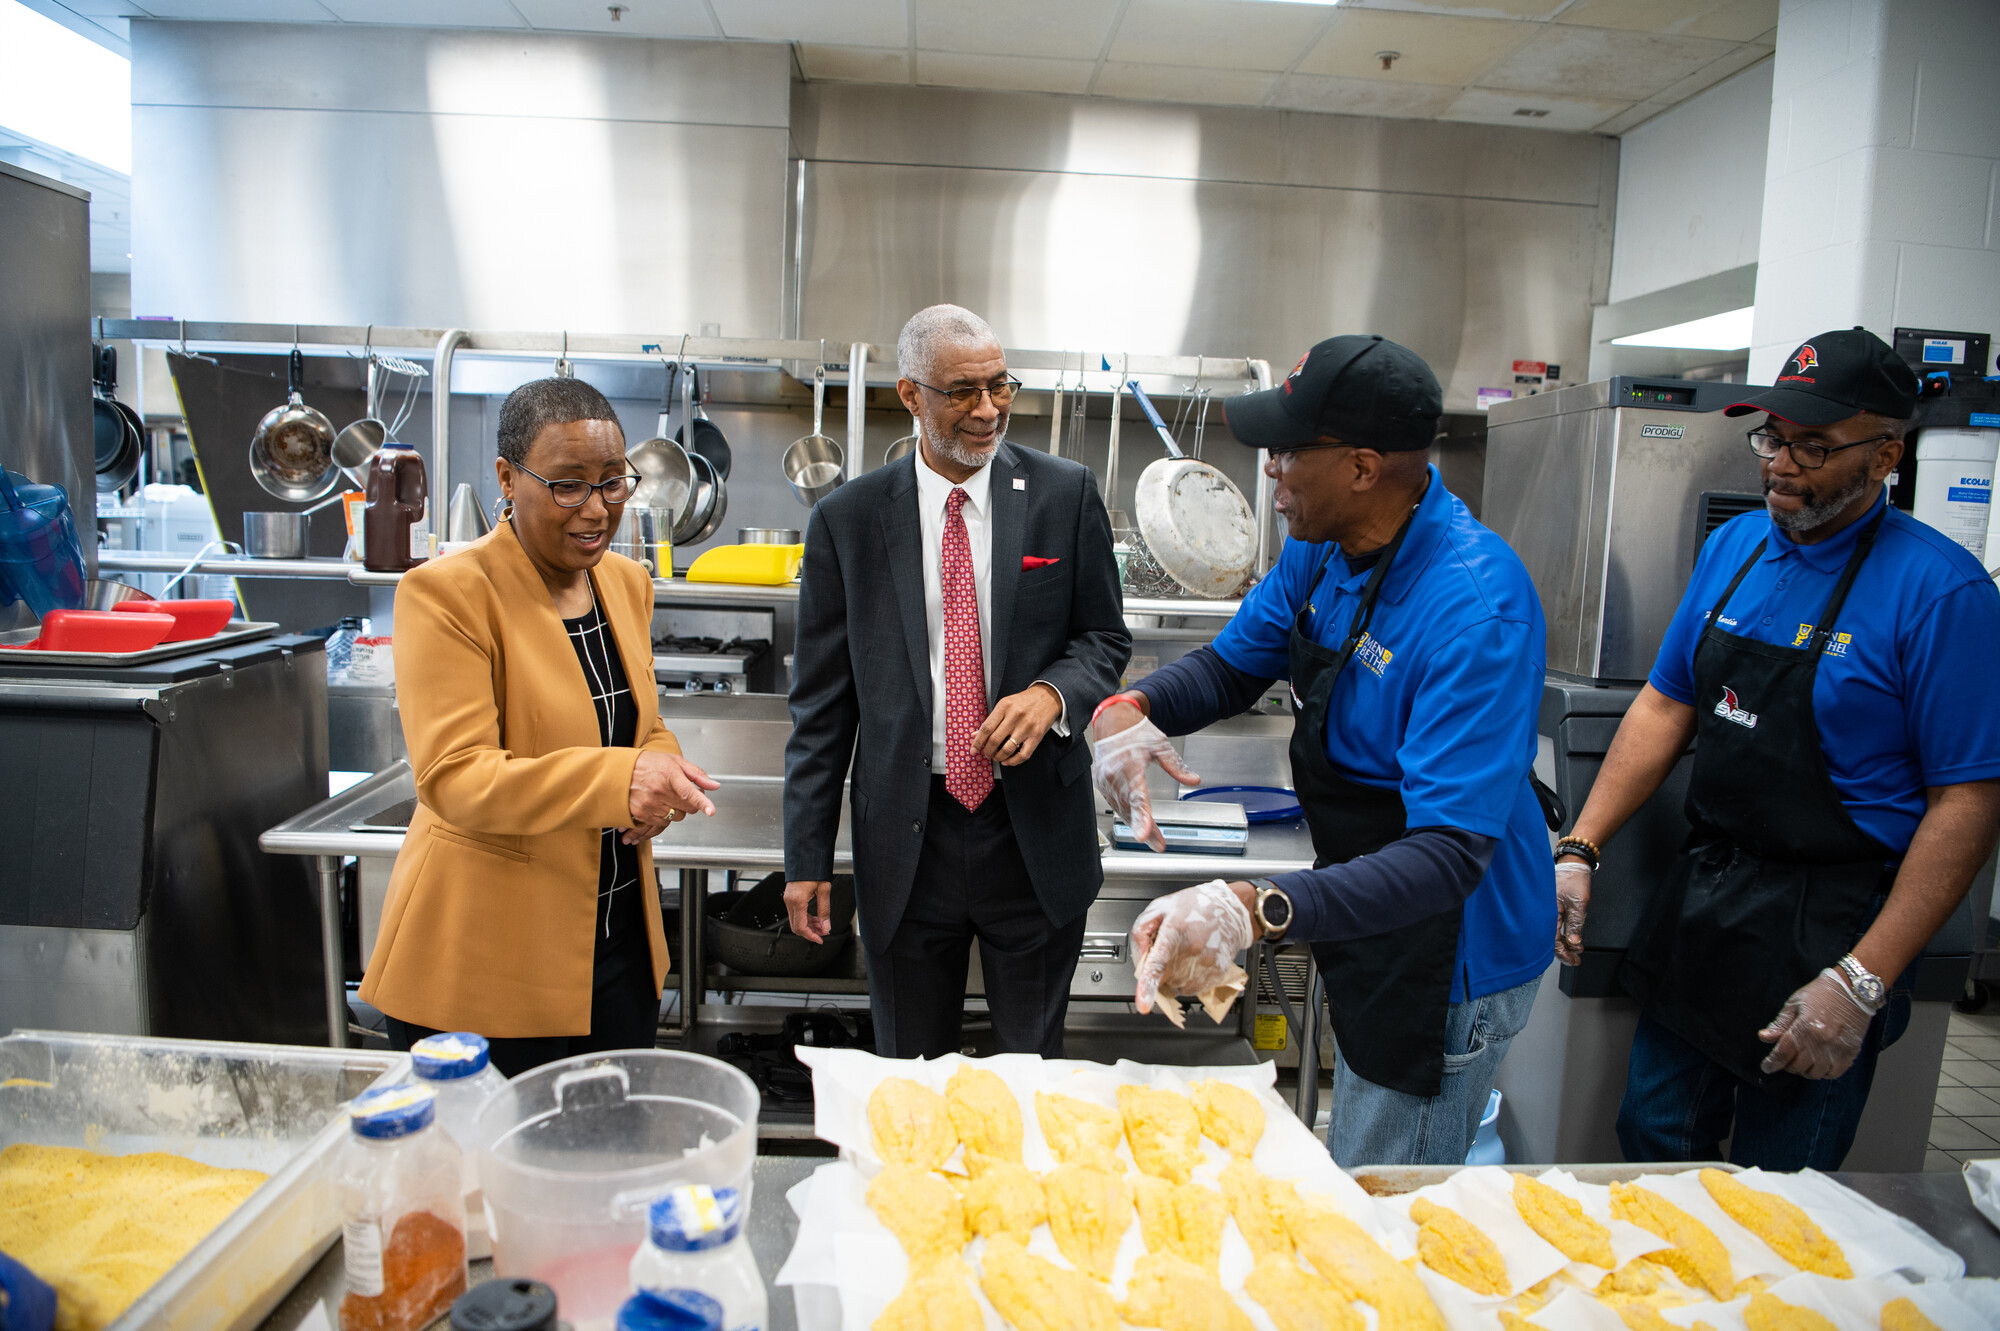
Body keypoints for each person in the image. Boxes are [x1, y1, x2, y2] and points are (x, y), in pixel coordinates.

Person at [1095, 335, 1554, 1165]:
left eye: (1288, 451)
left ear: (1363, 467)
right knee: (1358, 1160)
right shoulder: (1321, 544)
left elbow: (1448, 855)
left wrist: (1256, 905)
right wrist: (1131, 709)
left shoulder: (1475, 609)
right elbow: (1234, 666)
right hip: (1370, 892)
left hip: (1450, 944)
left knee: (1387, 1194)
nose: (1269, 469)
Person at [1555, 328, 2000, 1169]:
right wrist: (1581, 846)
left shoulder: (1943, 593)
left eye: (1814, 445)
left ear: (1886, 455)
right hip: (1710, 897)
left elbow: (1968, 802)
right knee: (1652, 1137)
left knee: (1783, 1181)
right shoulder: (1734, 549)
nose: (1781, 465)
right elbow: (1666, 704)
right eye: (1773, 438)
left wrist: (1861, 980)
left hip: (1834, 923)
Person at [783, 304, 1130, 1058]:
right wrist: (806, 859)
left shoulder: (1064, 493)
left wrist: (1052, 694)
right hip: (907, 839)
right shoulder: (847, 520)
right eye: (963, 391)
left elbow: (1105, 637)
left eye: (999, 386)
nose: (988, 410)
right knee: (910, 1076)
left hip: (1032, 831)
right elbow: (822, 709)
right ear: (910, 395)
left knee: (1032, 1073)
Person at [359, 377, 721, 1077]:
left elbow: (640, 726)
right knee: (491, 1150)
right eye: (568, 485)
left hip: (617, 945)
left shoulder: (625, 582)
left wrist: (661, 769)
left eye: (612, 482)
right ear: (507, 477)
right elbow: (456, 777)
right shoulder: (448, 593)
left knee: (604, 1140)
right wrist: (622, 781)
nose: (597, 508)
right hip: (490, 963)